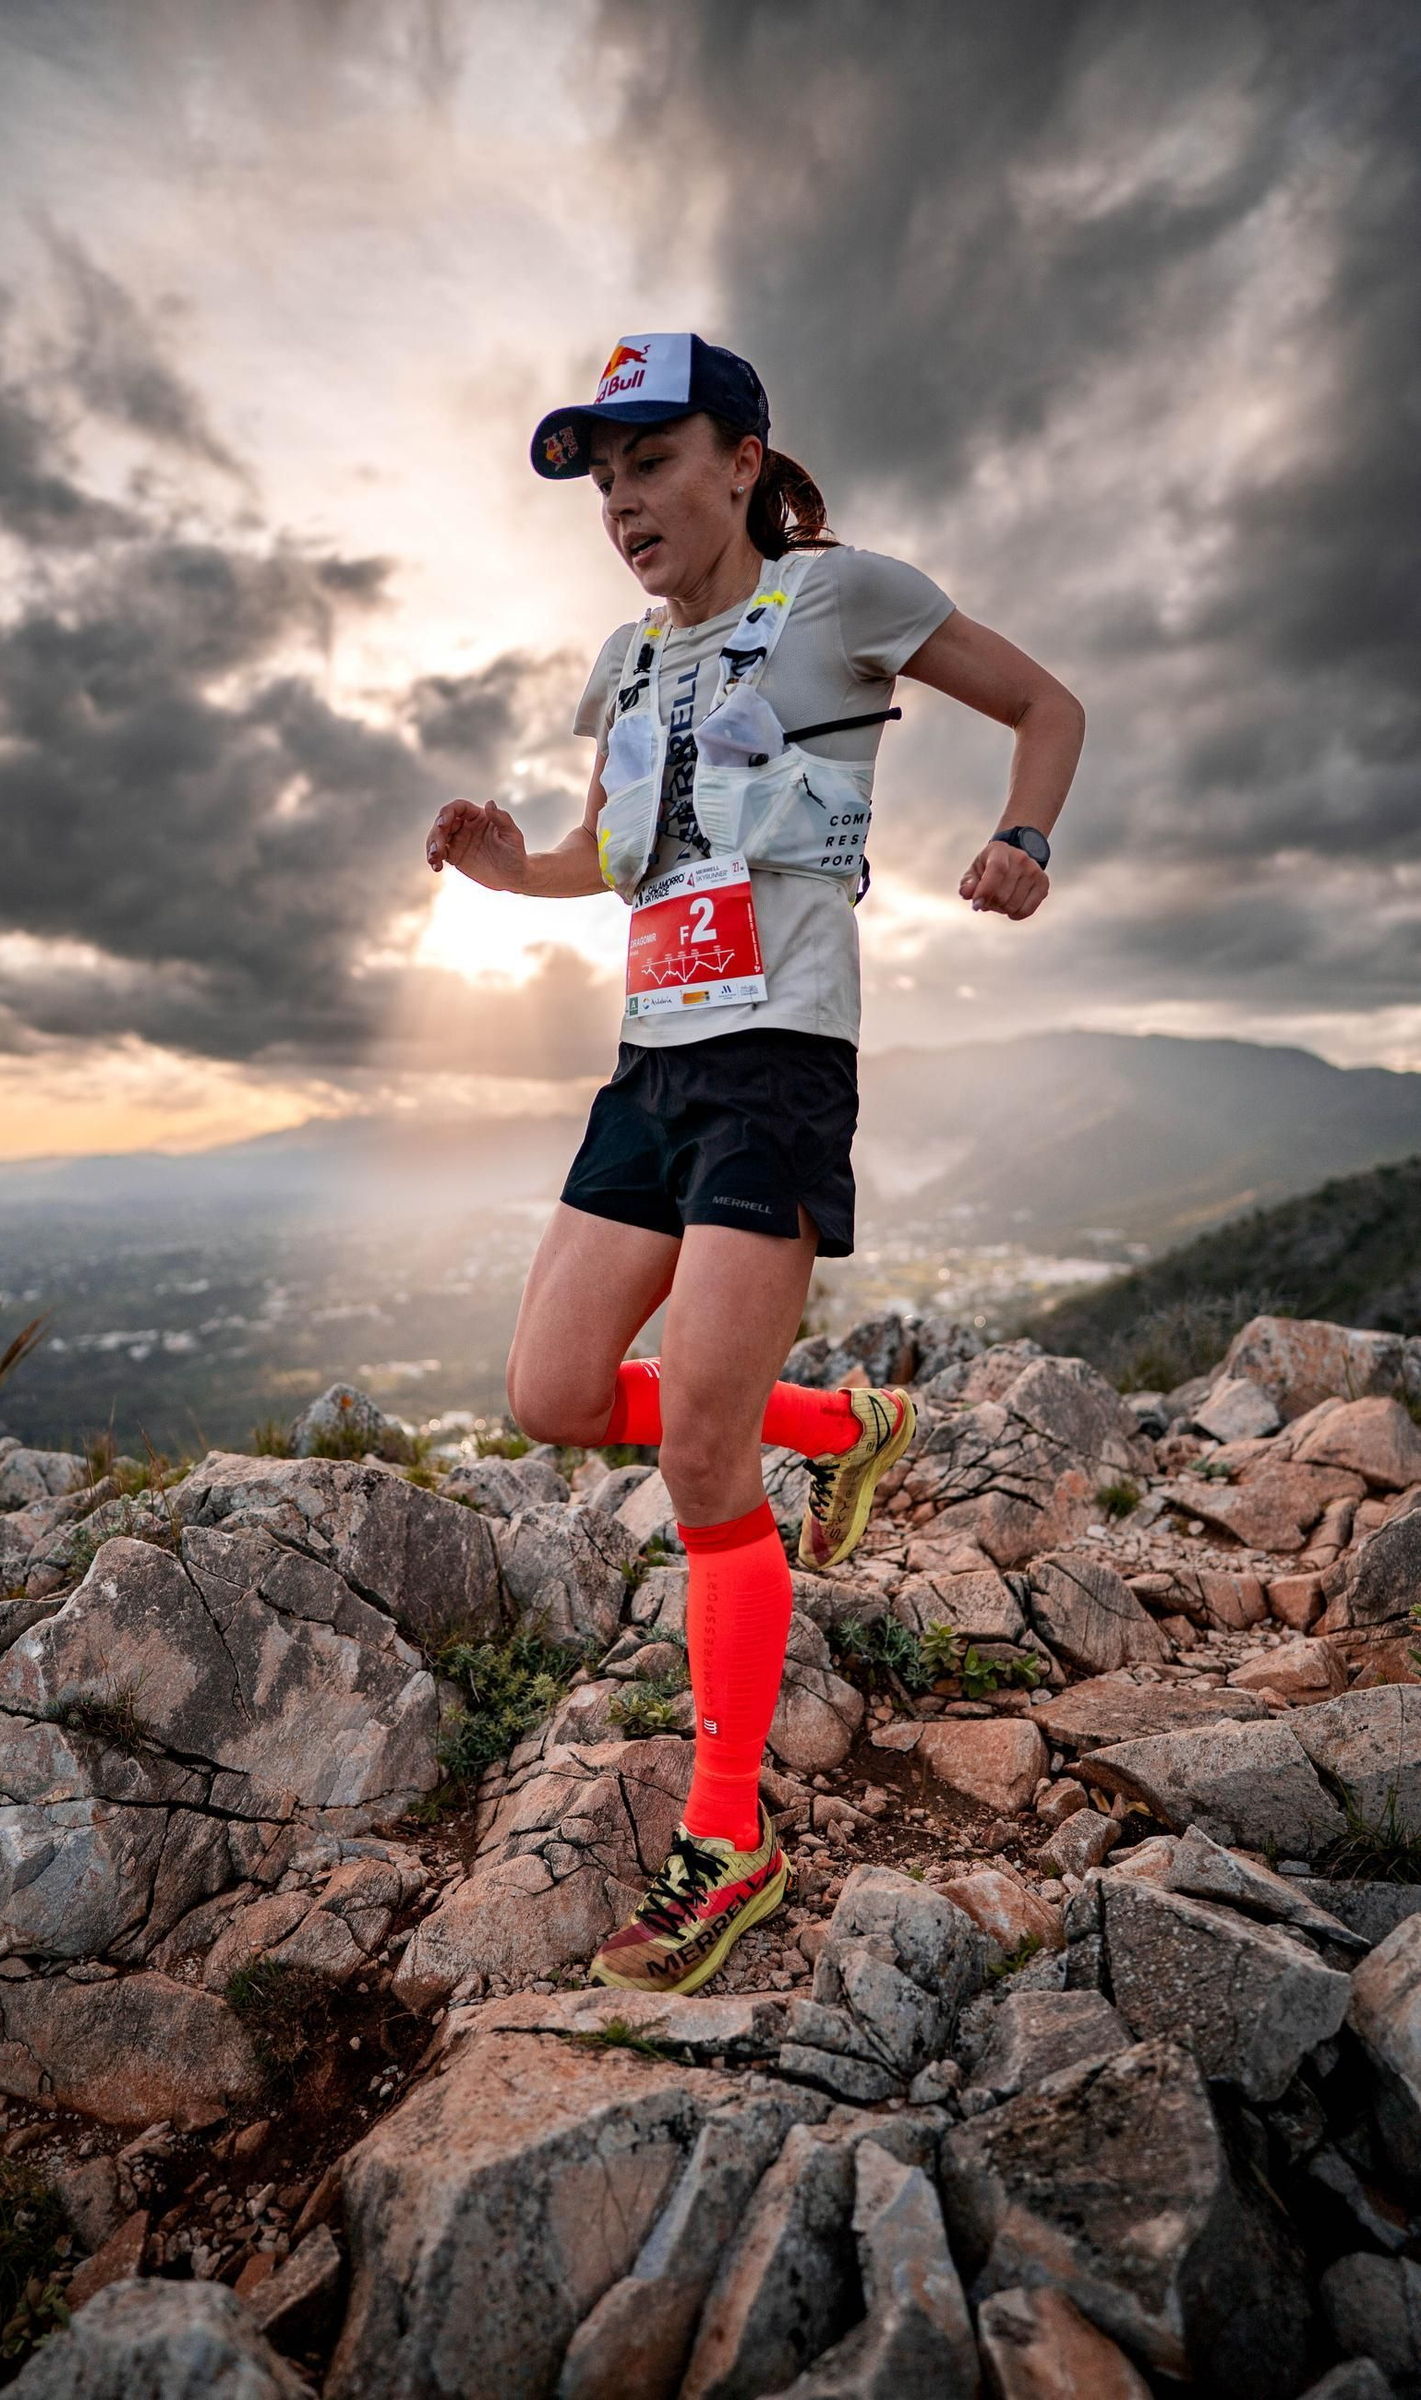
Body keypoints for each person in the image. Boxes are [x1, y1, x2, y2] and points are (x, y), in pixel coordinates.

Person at [425, 332, 1083, 1996]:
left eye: (651, 461)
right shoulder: (623, 663)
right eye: (603, 479)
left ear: (740, 460)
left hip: (778, 1068)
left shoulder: (843, 598)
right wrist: (509, 871)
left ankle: (731, 1840)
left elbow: (1047, 705)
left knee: (703, 1465)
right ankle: (847, 1426)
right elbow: (611, 857)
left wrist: (1022, 835)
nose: (623, 502)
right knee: (555, 1394)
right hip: (648, 1070)